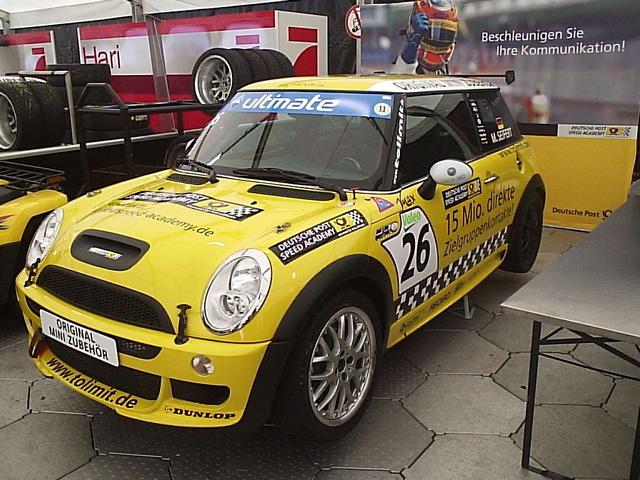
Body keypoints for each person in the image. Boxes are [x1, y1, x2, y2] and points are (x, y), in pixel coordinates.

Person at [390, 0, 459, 75]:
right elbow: (402, 75)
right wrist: (409, 53)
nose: (436, 40)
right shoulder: (402, 71)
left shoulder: (451, 77)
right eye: (429, 31)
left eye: (444, 33)